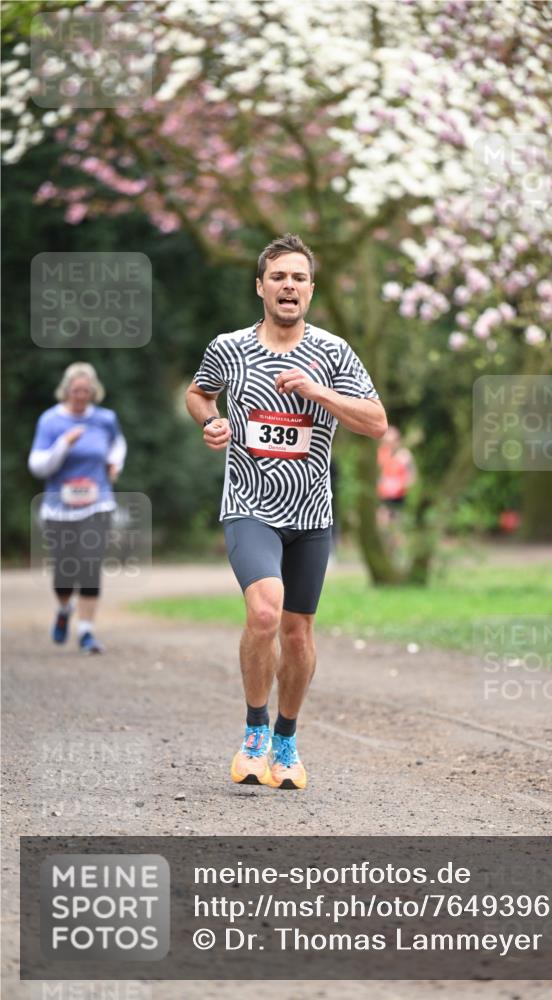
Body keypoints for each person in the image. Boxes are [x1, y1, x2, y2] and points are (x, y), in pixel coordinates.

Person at [186, 233, 387, 790]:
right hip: (249, 504)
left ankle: (286, 740)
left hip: (311, 514)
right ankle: (254, 732)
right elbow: (199, 393)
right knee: (265, 612)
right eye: (278, 277)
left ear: (311, 289)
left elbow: (376, 422)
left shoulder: (333, 352)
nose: (289, 285)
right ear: (261, 287)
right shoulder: (229, 347)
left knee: (297, 633)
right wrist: (211, 421)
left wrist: (319, 393)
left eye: (299, 277)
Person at [28, 362, 127, 654]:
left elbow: (118, 445)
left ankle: (86, 631)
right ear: (66, 390)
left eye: (86, 390)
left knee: (89, 563)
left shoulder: (105, 418)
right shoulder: (50, 420)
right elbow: (37, 466)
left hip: (98, 503)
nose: (81, 395)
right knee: (64, 570)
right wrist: (63, 444)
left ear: (94, 391)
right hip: (59, 507)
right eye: (76, 390)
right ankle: (64, 609)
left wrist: (114, 464)